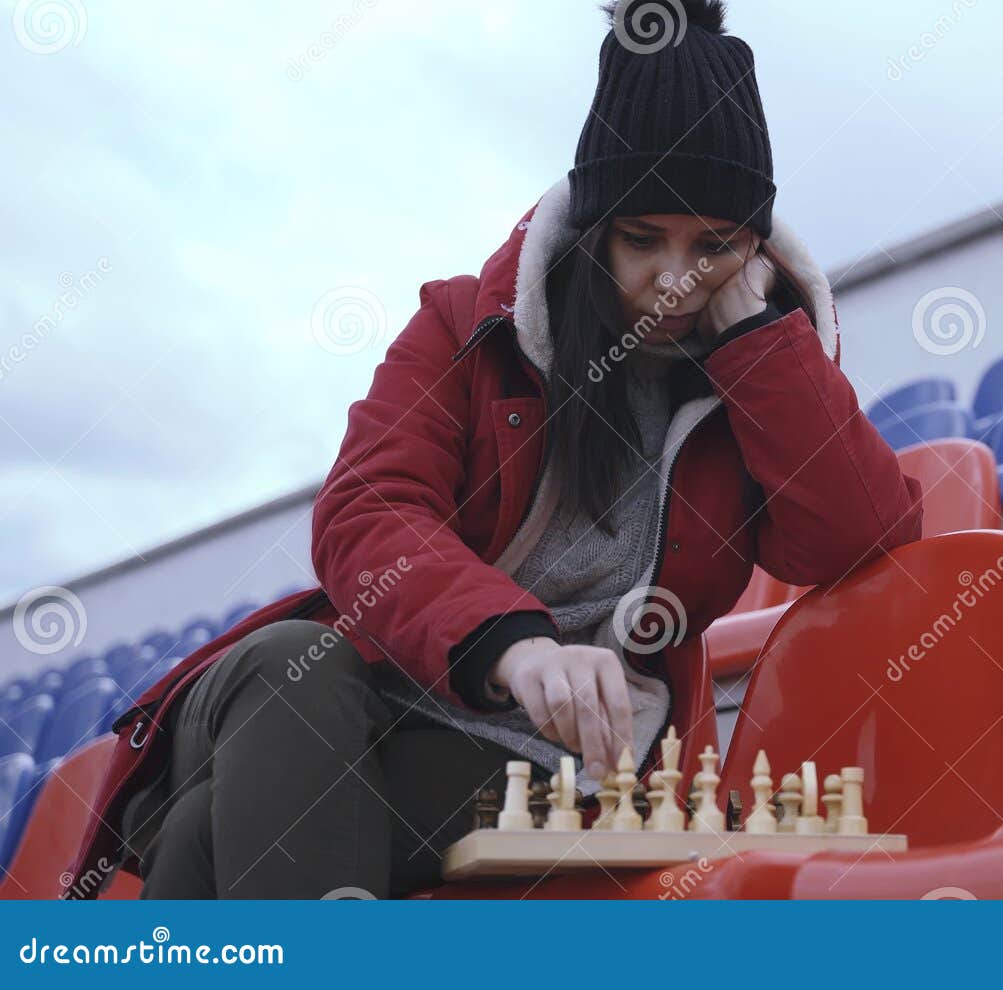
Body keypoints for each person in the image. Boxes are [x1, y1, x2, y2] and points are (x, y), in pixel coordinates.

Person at [80, 0, 923, 899]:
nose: (675, 277)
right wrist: (515, 648)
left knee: (213, 828)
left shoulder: (768, 371)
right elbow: (370, 512)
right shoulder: (461, 323)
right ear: (596, 227)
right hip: (370, 699)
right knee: (293, 670)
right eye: (642, 240)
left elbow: (855, 538)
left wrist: (755, 337)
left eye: (713, 247)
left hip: (543, 767)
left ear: (755, 247)